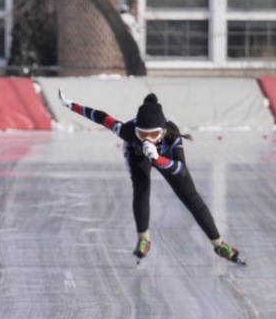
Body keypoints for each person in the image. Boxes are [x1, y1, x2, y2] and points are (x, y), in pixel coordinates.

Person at [58, 89, 244, 265]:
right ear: (136, 130)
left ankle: (219, 244)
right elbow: (101, 117)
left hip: (164, 156)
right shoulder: (129, 132)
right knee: (142, 188)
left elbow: (180, 169)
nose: (147, 139)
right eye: (142, 134)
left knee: (191, 197)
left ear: (162, 132)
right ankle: (143, 239)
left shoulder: (172, 135)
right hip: (135, 153)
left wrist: (158, 158)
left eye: (153, 134)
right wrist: (71, 105)